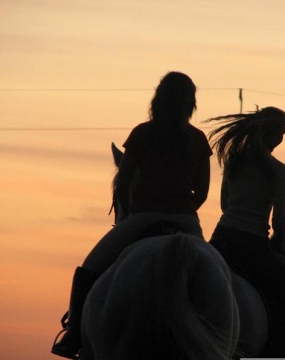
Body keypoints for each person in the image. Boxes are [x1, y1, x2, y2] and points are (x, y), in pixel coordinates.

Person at [51, 71, 212, 359]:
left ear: (158, 99)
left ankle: (74, 333)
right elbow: (201, 193)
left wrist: (132, 212)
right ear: (191, 103)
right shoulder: (198, 140)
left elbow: (123, 182)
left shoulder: (142, 133)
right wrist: (182, 212)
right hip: (187, 221)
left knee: (89, 268)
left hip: (142, 217)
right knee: (218, 274)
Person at [206, 106, 285, 357]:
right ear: (274, 135)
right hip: (253, 246)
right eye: (283, 132)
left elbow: (224, 204)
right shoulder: (279, 171)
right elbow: (280, 223)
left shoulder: (234, 161)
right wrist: (279, 241)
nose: (282, 138)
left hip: (221, 240)